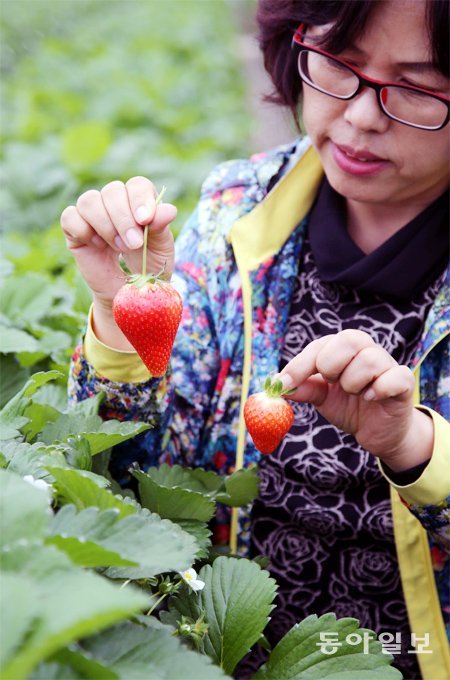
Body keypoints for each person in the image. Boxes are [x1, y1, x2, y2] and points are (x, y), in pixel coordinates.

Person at [61, 1, 449, 677]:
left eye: (416, 87)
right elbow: (143, 493)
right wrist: (121, 319)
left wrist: (414, 449)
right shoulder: (233, 210)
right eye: (340, 64)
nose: (360, 116)